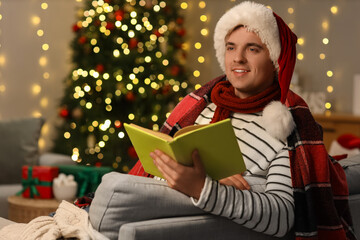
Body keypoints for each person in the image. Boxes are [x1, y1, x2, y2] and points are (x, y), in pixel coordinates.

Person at [90, 2, 355, 239]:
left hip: (208, 204)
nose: (238, 58)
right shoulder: (205, 105)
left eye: (253, 49)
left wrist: (204, 188)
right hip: (177, 201)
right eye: (231, 47)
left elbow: (282, 215)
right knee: (112, 188)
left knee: (112, 188)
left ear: (275, 61)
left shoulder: (285, 125)